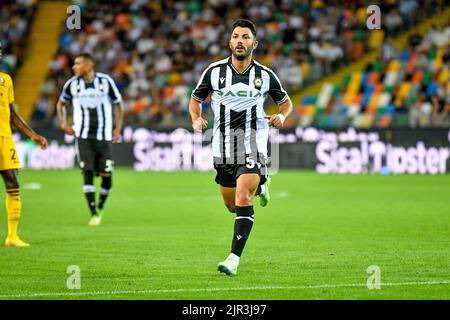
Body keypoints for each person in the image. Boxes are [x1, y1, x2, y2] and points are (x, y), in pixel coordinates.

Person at [189, 19, 293, 276]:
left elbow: (285, 102)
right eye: (236, 36)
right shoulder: (214, 72)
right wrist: (196, 117)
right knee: (231, 206)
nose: (239, 41)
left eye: (245, 37)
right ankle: (264, 181)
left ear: (254, 43)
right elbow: (195, 99)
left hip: (252, 141)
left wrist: (282, 116)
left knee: (243, 196)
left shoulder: (265, 75)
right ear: (229, 41)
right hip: (223, 146)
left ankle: (233, 259)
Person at [56, 53, 123, 226]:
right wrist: (63, 123)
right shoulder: (72, 84)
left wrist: (117, 128)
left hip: (103, 136)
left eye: (77, 64)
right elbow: (61, 103)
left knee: (106, 175)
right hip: (83, 136)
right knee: (87, 173)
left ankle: (100, 205)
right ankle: (93, 212)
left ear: (88, 66)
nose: (74, 67)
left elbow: (118, 103)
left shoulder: (105, 81)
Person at [0, 42, 48, 247]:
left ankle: (12, 236)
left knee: (13, 182)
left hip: (4, 138)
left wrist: (33, 135)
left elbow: (12, 114)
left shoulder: (6, 80)